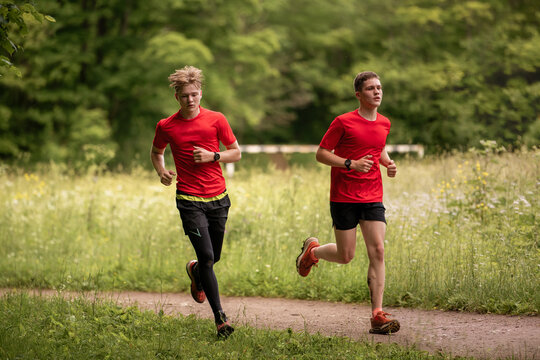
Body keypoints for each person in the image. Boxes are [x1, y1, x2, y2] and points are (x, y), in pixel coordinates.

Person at [296, 71, 400, 335]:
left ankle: (377, 314)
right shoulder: (343, 122)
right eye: (370, 89)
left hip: (373, 195)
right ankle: (313, 252)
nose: (377, 92)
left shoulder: (384, 123)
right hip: (344, 196)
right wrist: (350, 164)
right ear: (358, 95)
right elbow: (321, 153)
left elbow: (379, 146)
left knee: (377, 250)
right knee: (346, 256)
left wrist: (386, 162)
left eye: (379, 88)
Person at [151, 65, 241, 338]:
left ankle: (195, 272)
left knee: (214, 257)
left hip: (219, 198)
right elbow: (157, 152)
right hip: (189, 200)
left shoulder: (217, 119)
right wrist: (162, 171)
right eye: (184, 96)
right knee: (207, 257)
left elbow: (235, 153)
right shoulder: (166, 125)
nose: (189, 99)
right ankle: (220, 319)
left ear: (200, 94)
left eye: (194, 94)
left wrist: (214, 156)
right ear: (176, 97)